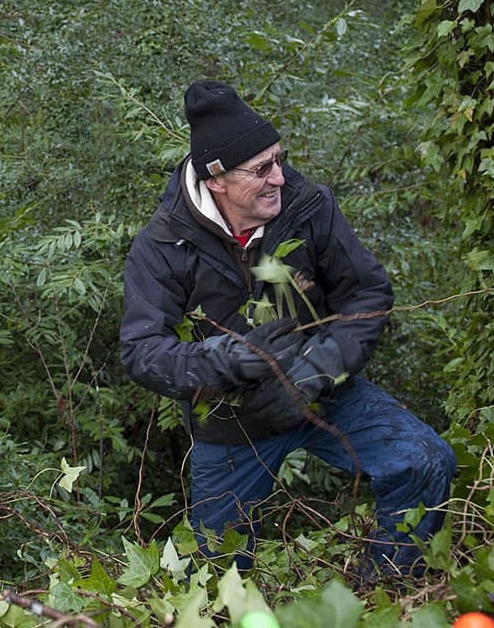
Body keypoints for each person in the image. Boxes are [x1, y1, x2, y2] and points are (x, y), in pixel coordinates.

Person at [120, 79, 455, 585]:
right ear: (217, 182)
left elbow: (365, 295)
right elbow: (141, 349)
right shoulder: (164, 244)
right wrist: (225, 361)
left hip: (321, 392)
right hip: (231, 421)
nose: (280, 177)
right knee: (215, 576)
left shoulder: (307, 206)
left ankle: (388, 592)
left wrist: (317, 369)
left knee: (425, 461)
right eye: (261, 169)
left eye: (278, 159)